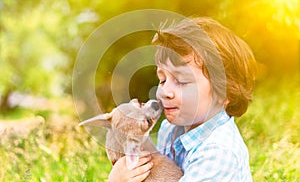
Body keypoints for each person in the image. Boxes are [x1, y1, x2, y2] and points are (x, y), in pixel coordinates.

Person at [108, 17, 256, 182]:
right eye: (162, 80)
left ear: (224, 93)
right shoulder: (170, 129)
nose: (164, 91)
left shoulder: (218, 153)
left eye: (182, 81)